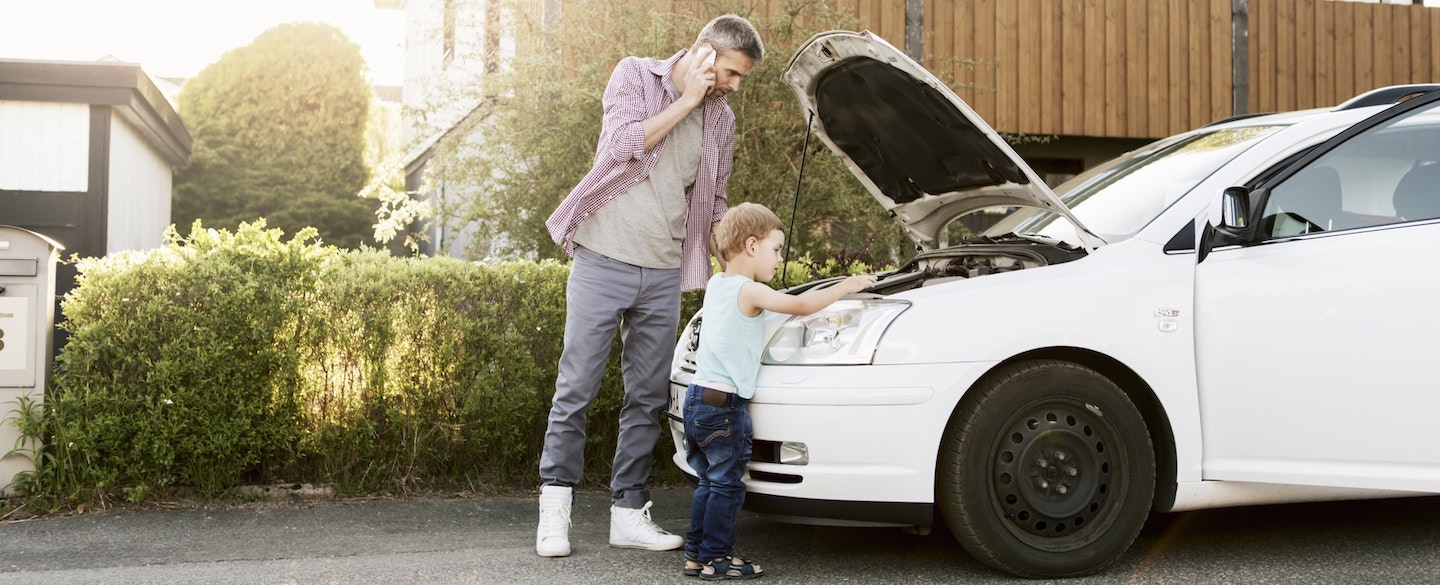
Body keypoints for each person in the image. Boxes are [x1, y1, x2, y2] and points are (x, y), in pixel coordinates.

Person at [535, 15, 765, 558]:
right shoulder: (636, 75)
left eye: (740, 79)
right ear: (706, 55)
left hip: (663, 269)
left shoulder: (722, 120)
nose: (734, 86)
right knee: (577, 389)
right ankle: (555, 511)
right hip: (603, 256)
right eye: (730, 73)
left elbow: (714, 201)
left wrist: (743, 258)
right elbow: (621, 146)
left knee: (646, 396)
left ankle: (627, 513)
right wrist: (686, 100)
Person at [682, 203, 877, 579]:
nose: (780, 257)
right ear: (751, 245)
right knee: (727, 486)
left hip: (698, 400)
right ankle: (717, 558)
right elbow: (801, 305)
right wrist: (847, 285)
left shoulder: (717, 285)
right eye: (777, 249)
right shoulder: (750, 291)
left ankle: (697, 553)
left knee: (709, 482)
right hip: (724, 407)